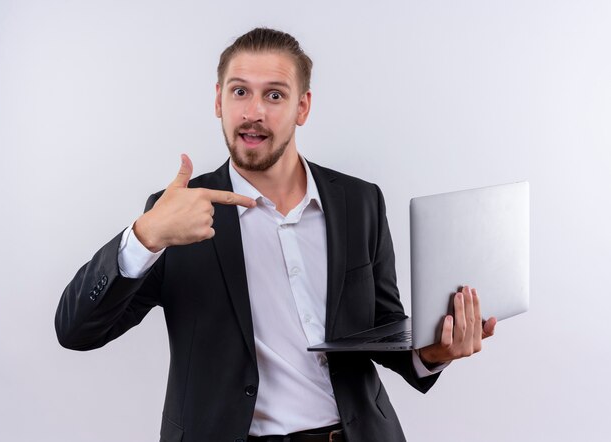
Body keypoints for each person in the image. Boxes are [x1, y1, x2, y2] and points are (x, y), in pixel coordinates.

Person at [55, 28, 496, 442]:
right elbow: (76, 332)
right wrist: (145, 235)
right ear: (218, 100)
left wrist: (433, 353)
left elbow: (382, 328)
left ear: (302, 107)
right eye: (240, 91)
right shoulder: (175, 216)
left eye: (274, 95)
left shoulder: (359, 202)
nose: (254, 112)